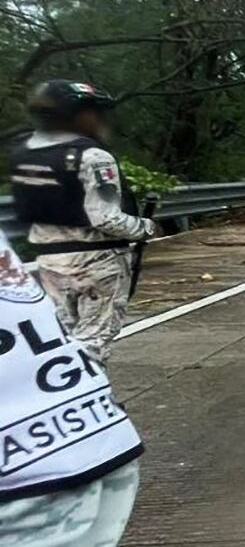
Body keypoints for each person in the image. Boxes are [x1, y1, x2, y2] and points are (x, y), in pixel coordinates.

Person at [0, 230, 143, 546]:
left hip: (27, 470)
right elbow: (106, 216)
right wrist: (141, 228)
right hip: (86, 430)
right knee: (91, 335)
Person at [9, 80, 157, 363]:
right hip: (96, 263)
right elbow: (107, 218)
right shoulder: (92, 156)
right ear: (76, 113)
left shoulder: (22, 153)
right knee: (94, 340)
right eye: (93, 111)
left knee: (60, 338)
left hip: (49, 263)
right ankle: (90, 401)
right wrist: (145, 228)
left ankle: (59, 398)